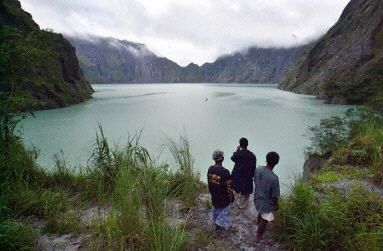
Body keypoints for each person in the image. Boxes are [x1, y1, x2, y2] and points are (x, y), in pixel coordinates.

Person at [253, 152, 280, 244]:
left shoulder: (258, 169)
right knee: (265, 220)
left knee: (261, 212)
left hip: (257, 197)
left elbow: (255, 180)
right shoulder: (274, 178)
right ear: (276, 163)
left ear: (266, 159)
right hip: (266, 203)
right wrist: (276, 205)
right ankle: (259, 236)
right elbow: (275, 195)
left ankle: (258, 223)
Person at [207, 150, 234, 231]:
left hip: (214, 195)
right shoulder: (225, 172)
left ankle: (214, 222)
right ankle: (222, 226)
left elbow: (209, 183)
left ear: (214, 159)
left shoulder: (210, 169)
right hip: (223, 197)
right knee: (224, 212)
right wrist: (231, 197)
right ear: (222, 159)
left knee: (215, 209)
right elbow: (229, 187)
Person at [231, 137, 256, 209]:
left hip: (237, 175)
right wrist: (252, 176)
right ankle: (242, 206)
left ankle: (233, 204)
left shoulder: (238, 153)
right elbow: (253, 167)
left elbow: (233, 158)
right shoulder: (252, 155)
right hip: (247, 177)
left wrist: (237, 150)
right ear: (247, 144)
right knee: (245, 194)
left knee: (235, 190)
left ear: (240, 144)